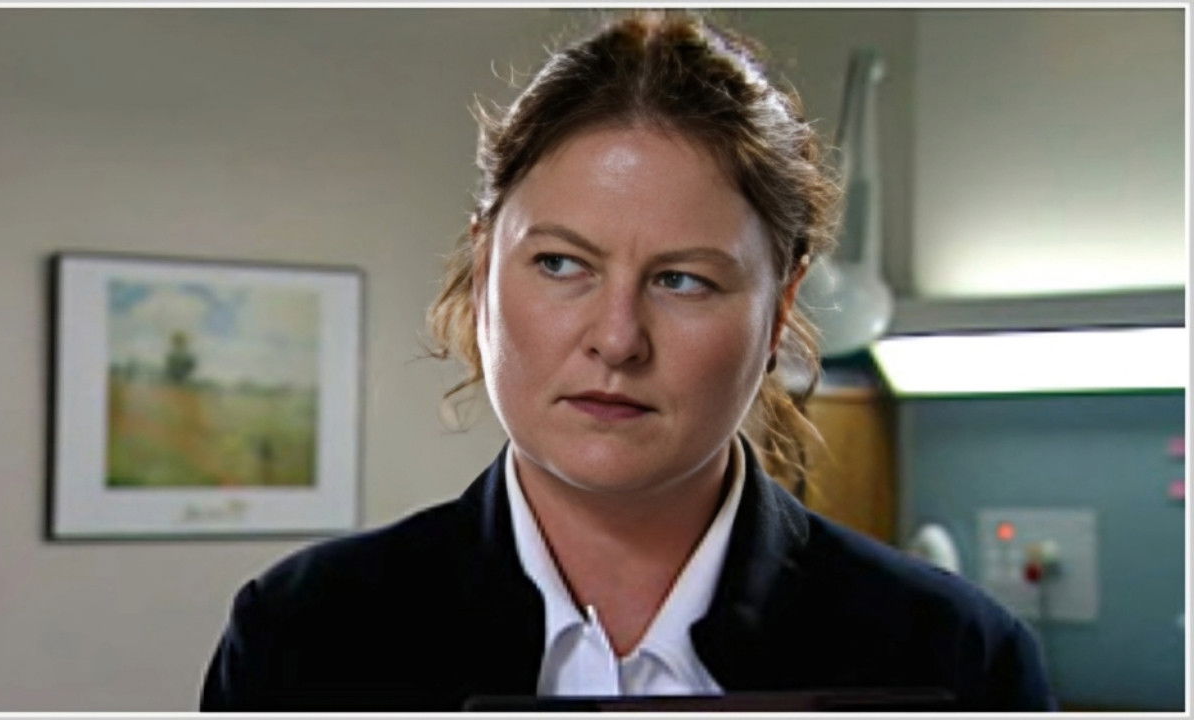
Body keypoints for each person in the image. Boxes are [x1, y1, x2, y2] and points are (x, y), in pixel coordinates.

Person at [200, 11, 1054, 711]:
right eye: (560, 264)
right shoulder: (304, 638)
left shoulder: (952, 661)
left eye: (683, 280)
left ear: (781, 306)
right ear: (485, 264)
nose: (617, 339)